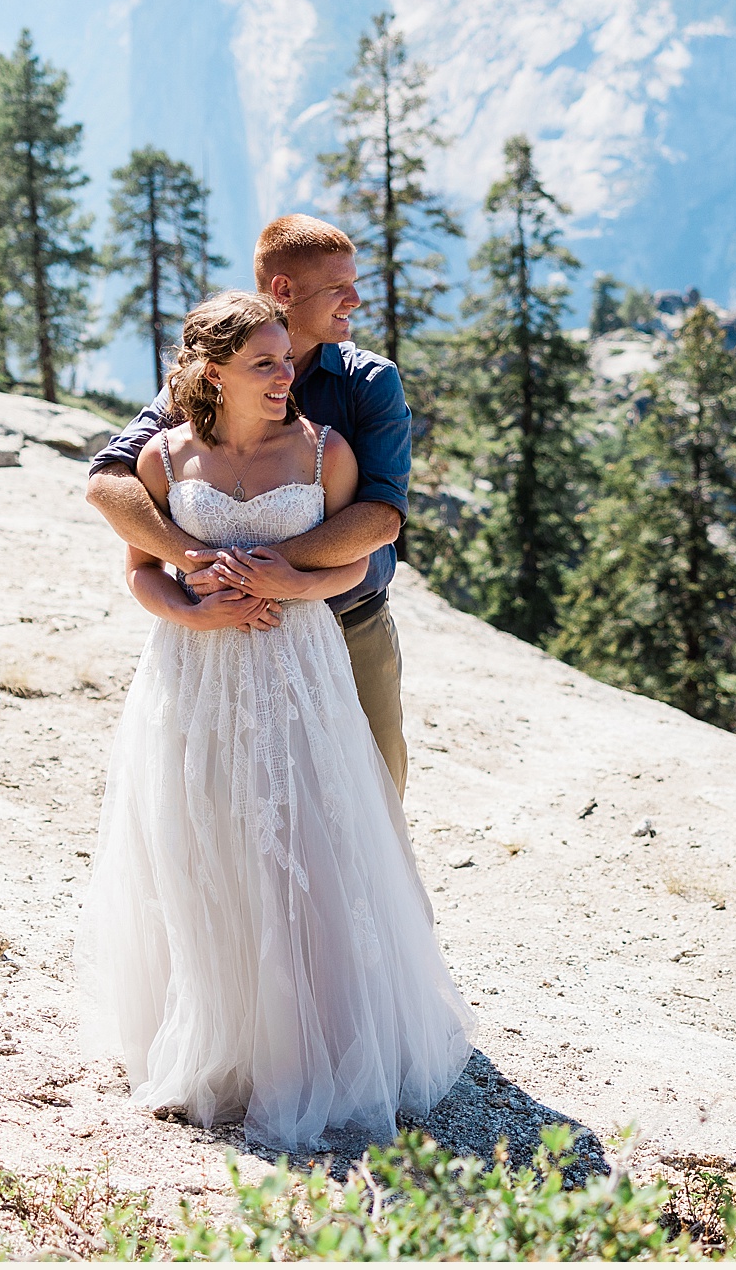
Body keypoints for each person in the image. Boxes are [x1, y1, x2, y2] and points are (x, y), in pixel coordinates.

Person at [74, 291, 474, 1151]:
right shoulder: (164, 459)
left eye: (287, 360)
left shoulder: (323, 451)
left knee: (308, 840)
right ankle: (222, 1042)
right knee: (205, 837)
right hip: (197, 672)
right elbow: (139, 572)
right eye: (264, 364)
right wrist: (191, 612)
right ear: (210, 374)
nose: (286, 376)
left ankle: (321, 1042)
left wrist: (293, 584)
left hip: (298, 668)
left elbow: (359, 554)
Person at [86, 215, 417, 795]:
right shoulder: (216, 373)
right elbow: (108, 480)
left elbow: (381, 518)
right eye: (340, 286)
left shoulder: (369, 383)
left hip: (349, 623)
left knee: (372, 797)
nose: (356, 300)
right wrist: (197, 562)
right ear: (284, 291)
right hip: (227, 638)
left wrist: (268, 569)